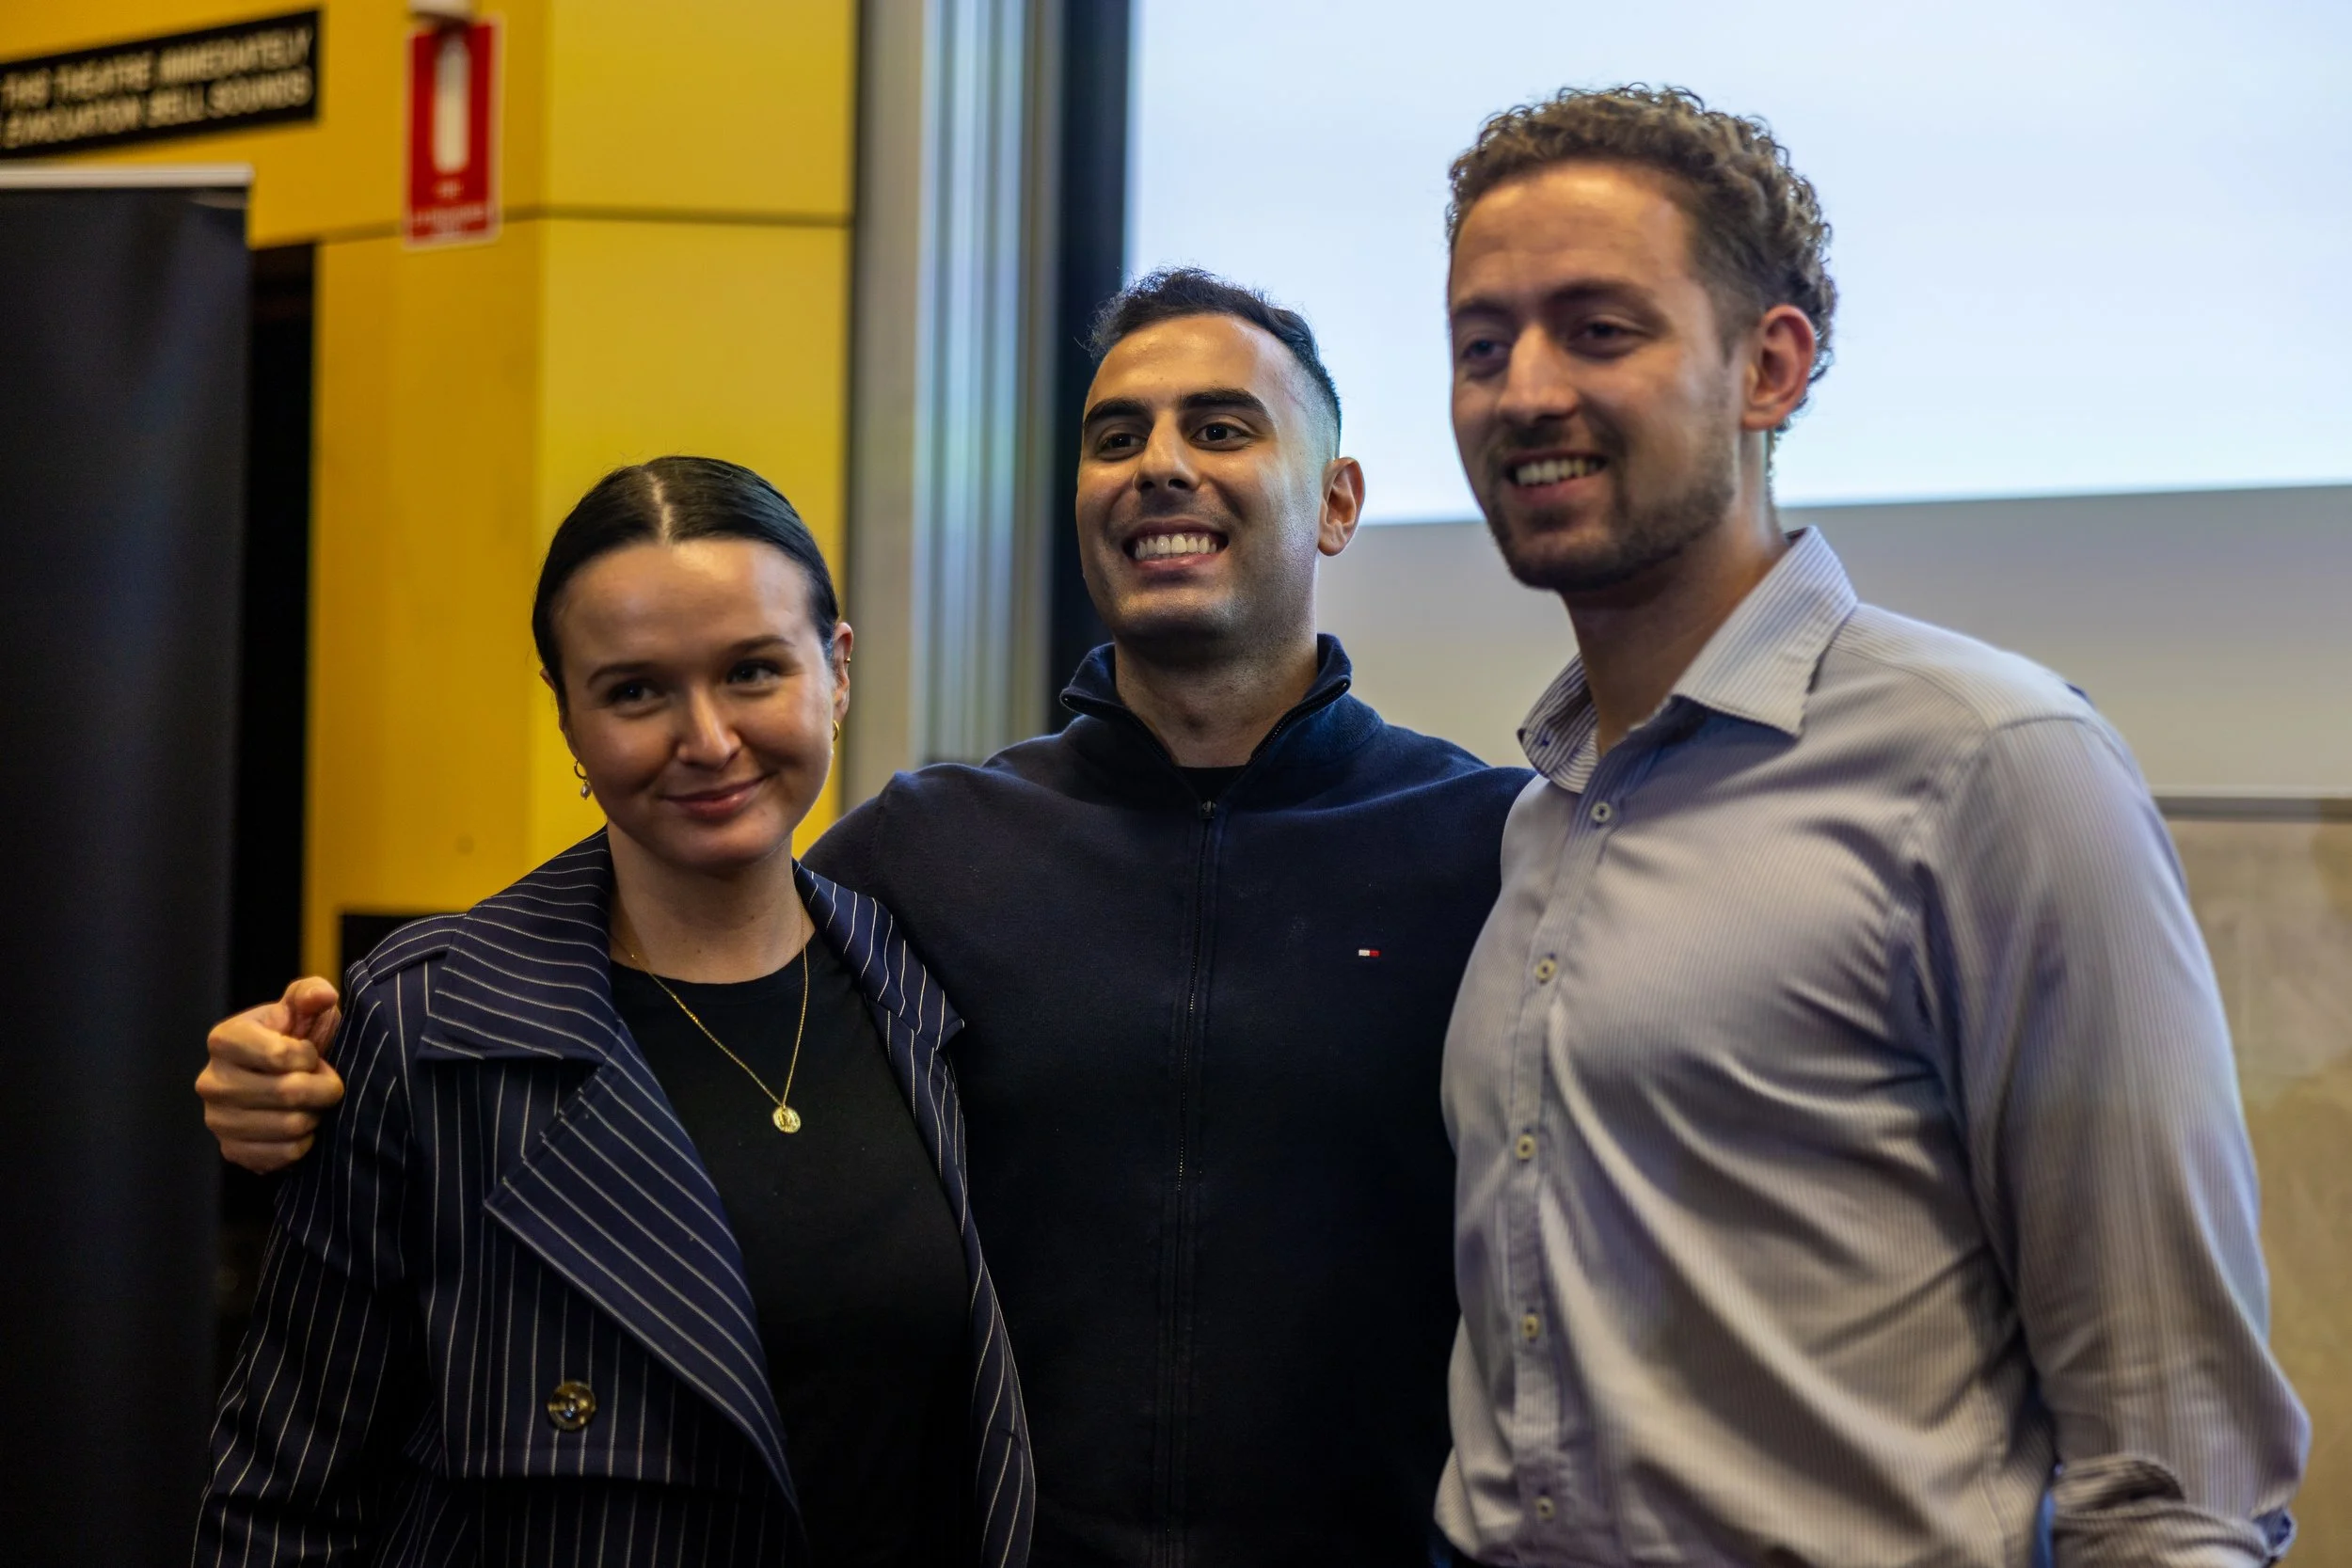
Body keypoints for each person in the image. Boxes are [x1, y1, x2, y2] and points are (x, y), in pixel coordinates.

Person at [199, 273, 1532, 1564]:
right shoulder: (929, 853)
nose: (1160, 464)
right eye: (1115, 434)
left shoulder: (1485, 846)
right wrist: (308, 1066)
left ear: (1341, 500)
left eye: (1223, 425)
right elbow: (681, 899)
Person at [1432, 87, 2307, 1566]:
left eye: (1598, 329)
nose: (1522, 390)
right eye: (1480, 342)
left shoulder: (1996, 767)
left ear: (1770, 366)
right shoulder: (1541, 809)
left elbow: (2179, 1475)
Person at [197, 458, 1032, 1566]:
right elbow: (281, 1498)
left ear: (835, 672)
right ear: (570, 720)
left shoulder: (924, 988)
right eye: (636, 689)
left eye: (751, 670)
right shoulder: (431, 1023)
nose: (707, 738)